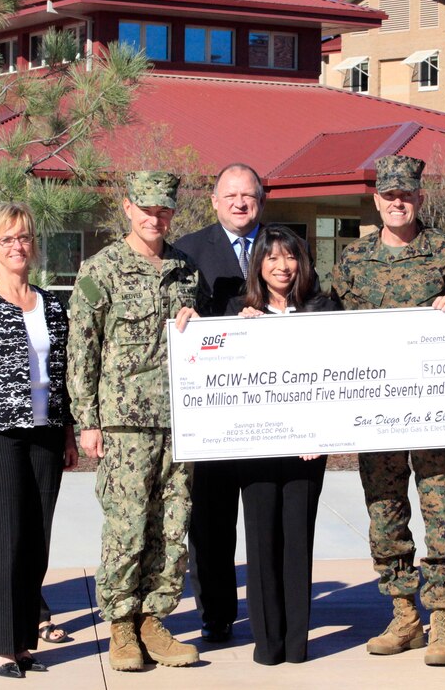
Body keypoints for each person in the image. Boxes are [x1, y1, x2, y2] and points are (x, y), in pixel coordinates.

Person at [331, 154, 445, 667]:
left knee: (443, 515)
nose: (398, 202)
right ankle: (403, 615)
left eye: (406, 194)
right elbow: (328, 331)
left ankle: (443, 619)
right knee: (385, 514)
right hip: (378, 415)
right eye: (388, 195)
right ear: (376, 200)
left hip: (435, 413)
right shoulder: (353, 260)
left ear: (419, 197)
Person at [68, 171, 202, 672]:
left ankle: (154, 619)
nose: (154, 217)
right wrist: (87, 419)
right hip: (124, 421)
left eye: (164, 209)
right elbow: (82, 348)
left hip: (180, 421)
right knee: (126, 527)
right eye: (145, 208)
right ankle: (121, 625)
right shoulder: (101, 269)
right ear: (127, 208)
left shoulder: (186, 269)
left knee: (172, 524)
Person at [0, 203, 79, 678]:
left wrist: (67, 432)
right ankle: (1, 644)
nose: (17, 247)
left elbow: (61, 376)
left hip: (46, 436)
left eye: (23, 237)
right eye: (6, 240)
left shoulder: (51, 304)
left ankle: (25, 640)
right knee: (5, 540)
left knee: (36, 541)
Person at [225, 225, 335, 665]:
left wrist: (320, 431)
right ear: (259, 265)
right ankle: (267, 642)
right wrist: (237, 330)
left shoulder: (323, 309)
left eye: (289, 257)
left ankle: (295, 644)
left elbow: (338, 375)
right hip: (255, 447)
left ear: (301, 263)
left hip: (307, 447)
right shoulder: (238, 309)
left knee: (296, 542)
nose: (281, 265)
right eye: (271, 258)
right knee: (261, 541)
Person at [174, 163, 263, 644]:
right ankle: (217, 613)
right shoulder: (187, 251)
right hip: (212, 407)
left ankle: (270, 607)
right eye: (230, 195)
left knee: (264, 514)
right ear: (214, 200)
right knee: (210, 519)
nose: (239, 203)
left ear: (260, 200)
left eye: (247, 195)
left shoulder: (284, 246)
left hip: (269, 403)